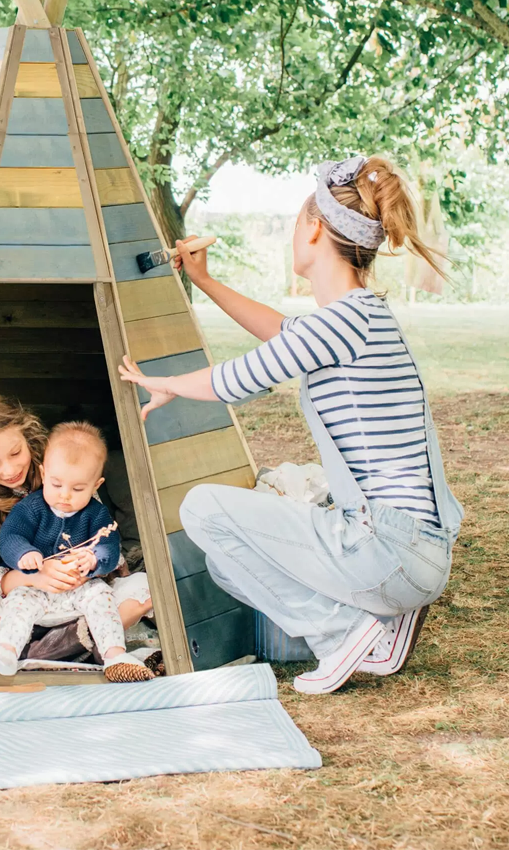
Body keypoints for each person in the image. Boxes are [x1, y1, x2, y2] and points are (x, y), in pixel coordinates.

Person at [119, 155, 464, 694]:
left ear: (316, 228)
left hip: (389, 548)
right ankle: (384, 624)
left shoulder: (341, 322)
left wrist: (168, 383)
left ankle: (342, 635)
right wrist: (205, 282)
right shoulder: (359, 316)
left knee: (203, 509)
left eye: (295, 222)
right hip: (415, 551)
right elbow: (284, 333)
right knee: (229, 565)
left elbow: (237, 380)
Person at [0, 389, 153, 664]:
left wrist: (86, 566)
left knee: (146, 587)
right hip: (22, 602)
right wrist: (33, 576)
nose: (9, 470)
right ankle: (69, 645)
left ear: (26, 434)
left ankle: (40, 650)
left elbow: (105, 542)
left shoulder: (63, 465)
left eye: (15, 452)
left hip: (81, 600)